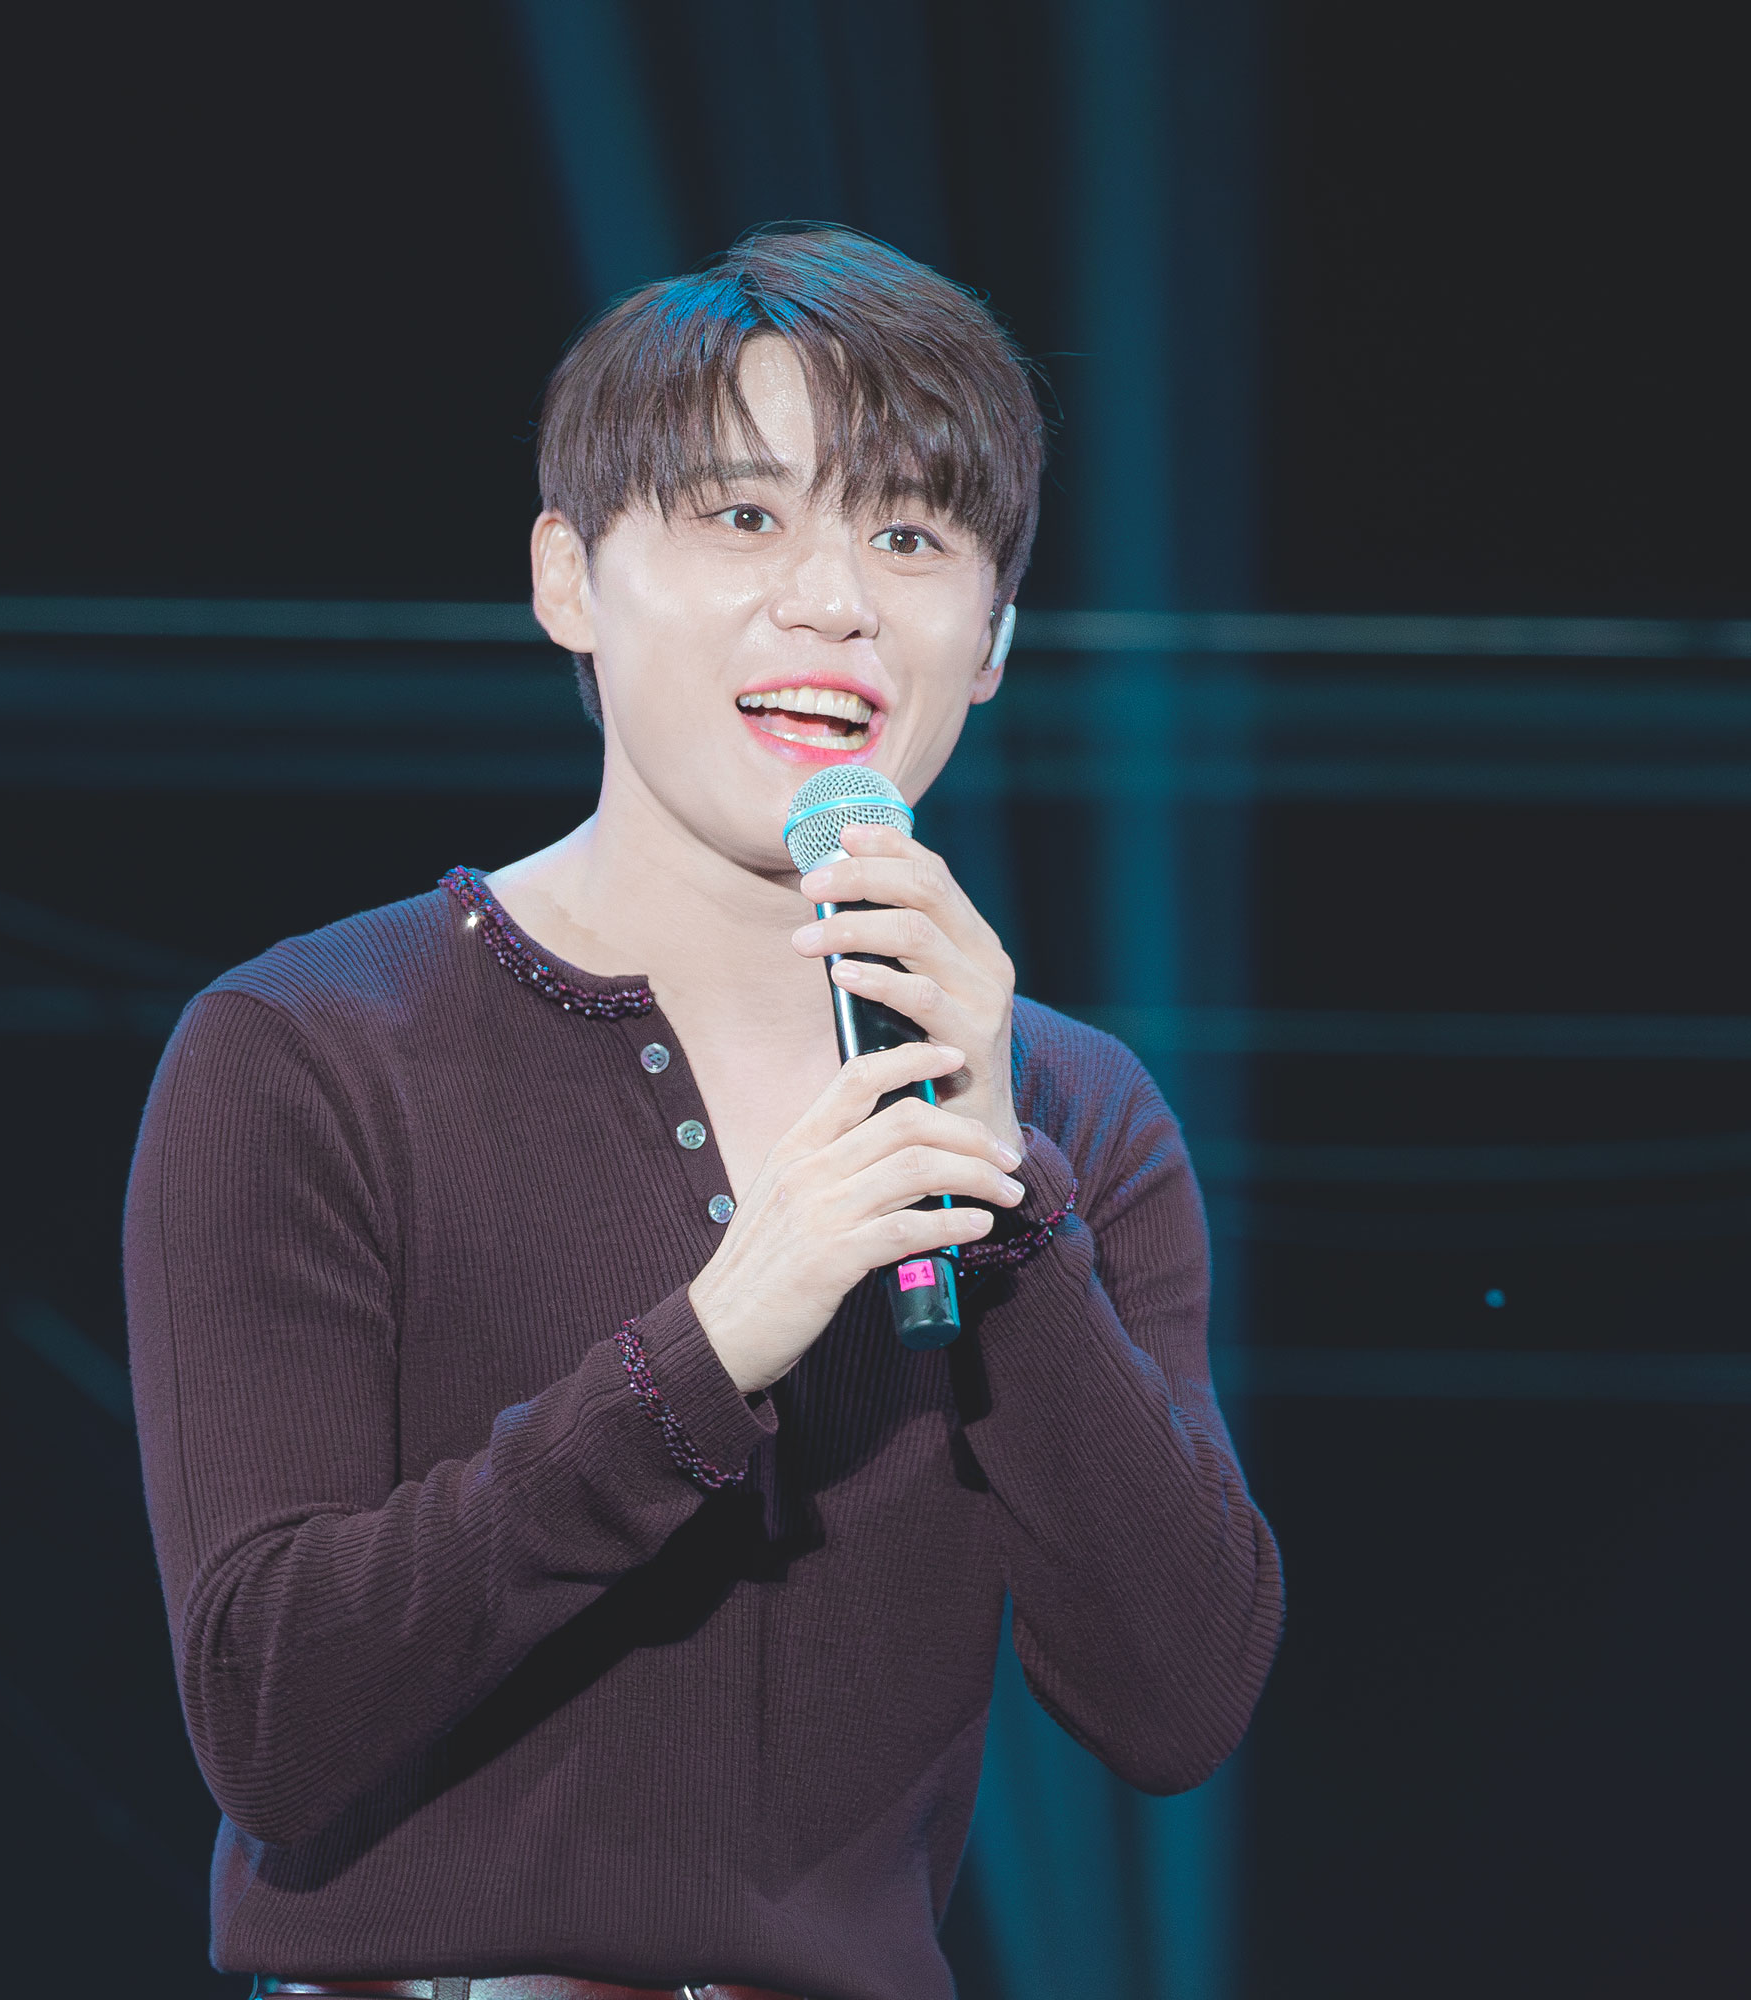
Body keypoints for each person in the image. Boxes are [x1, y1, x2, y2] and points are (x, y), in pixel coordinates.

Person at [122, 224, 1282, 2000]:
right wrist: (718, 1340)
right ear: (569, 579)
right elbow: (268, 1711)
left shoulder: (1073, 1114)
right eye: (746, 517)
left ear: (991, 639)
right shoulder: (312, 1052)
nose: (832, 600)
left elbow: (1179, 1699)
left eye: (909, 537)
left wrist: (1009, 1204)